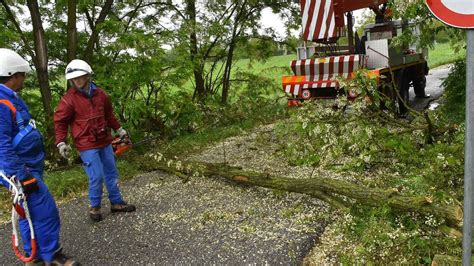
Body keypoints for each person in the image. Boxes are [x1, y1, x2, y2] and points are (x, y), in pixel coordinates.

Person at [0, 48, 78, 265]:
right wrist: (21, 175)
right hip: (21, 170)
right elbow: (2, 145)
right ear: (12, 76)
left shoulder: (10, 98)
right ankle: (52, 255)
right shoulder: (1, 103)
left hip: (26, 166)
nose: (24, 79)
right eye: (22, 75)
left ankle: (33, 256)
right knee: (46, 210)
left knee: (27, 211)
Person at [54, 59, 136, 222]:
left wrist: (120, 130)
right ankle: (95, 207)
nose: (77, 81)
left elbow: (109, 115)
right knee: (96, 175)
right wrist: (61, 142)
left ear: (87, 76)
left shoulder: (101, 94)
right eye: (74, 79)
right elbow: (60, 122)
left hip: (104, 140)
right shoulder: (68, 100)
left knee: (111, 172)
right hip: (86, 144)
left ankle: (116, 203)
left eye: (80, 77)